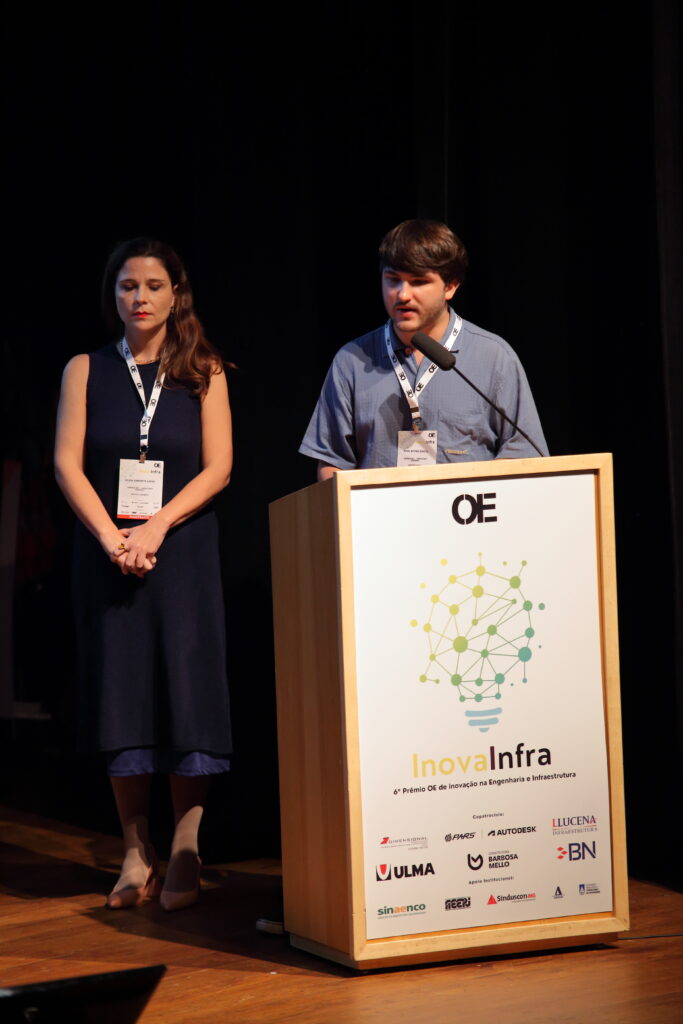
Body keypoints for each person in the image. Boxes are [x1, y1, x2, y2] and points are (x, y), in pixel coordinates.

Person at [54, 238, 233, 911]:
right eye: (128, 286)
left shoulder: (203, 369)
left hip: (181, 551)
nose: (140, 298)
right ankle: (136, 849)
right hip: (109, 555)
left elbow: (219, 467)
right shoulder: (85, 369)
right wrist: (111, 538)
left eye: (154, 286)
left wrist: (155, 528)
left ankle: (186, 844)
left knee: (188, 689)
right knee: (120, 692)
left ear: (175, 293)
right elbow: (67, 463)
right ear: (114, 294)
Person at [300, 219, 548, 477]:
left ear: (450, 286)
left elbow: (524, 455)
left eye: (418, 282)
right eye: (393, 280)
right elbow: (332, 463)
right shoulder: (351, 361)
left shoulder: (493, 357)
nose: (402, 295)